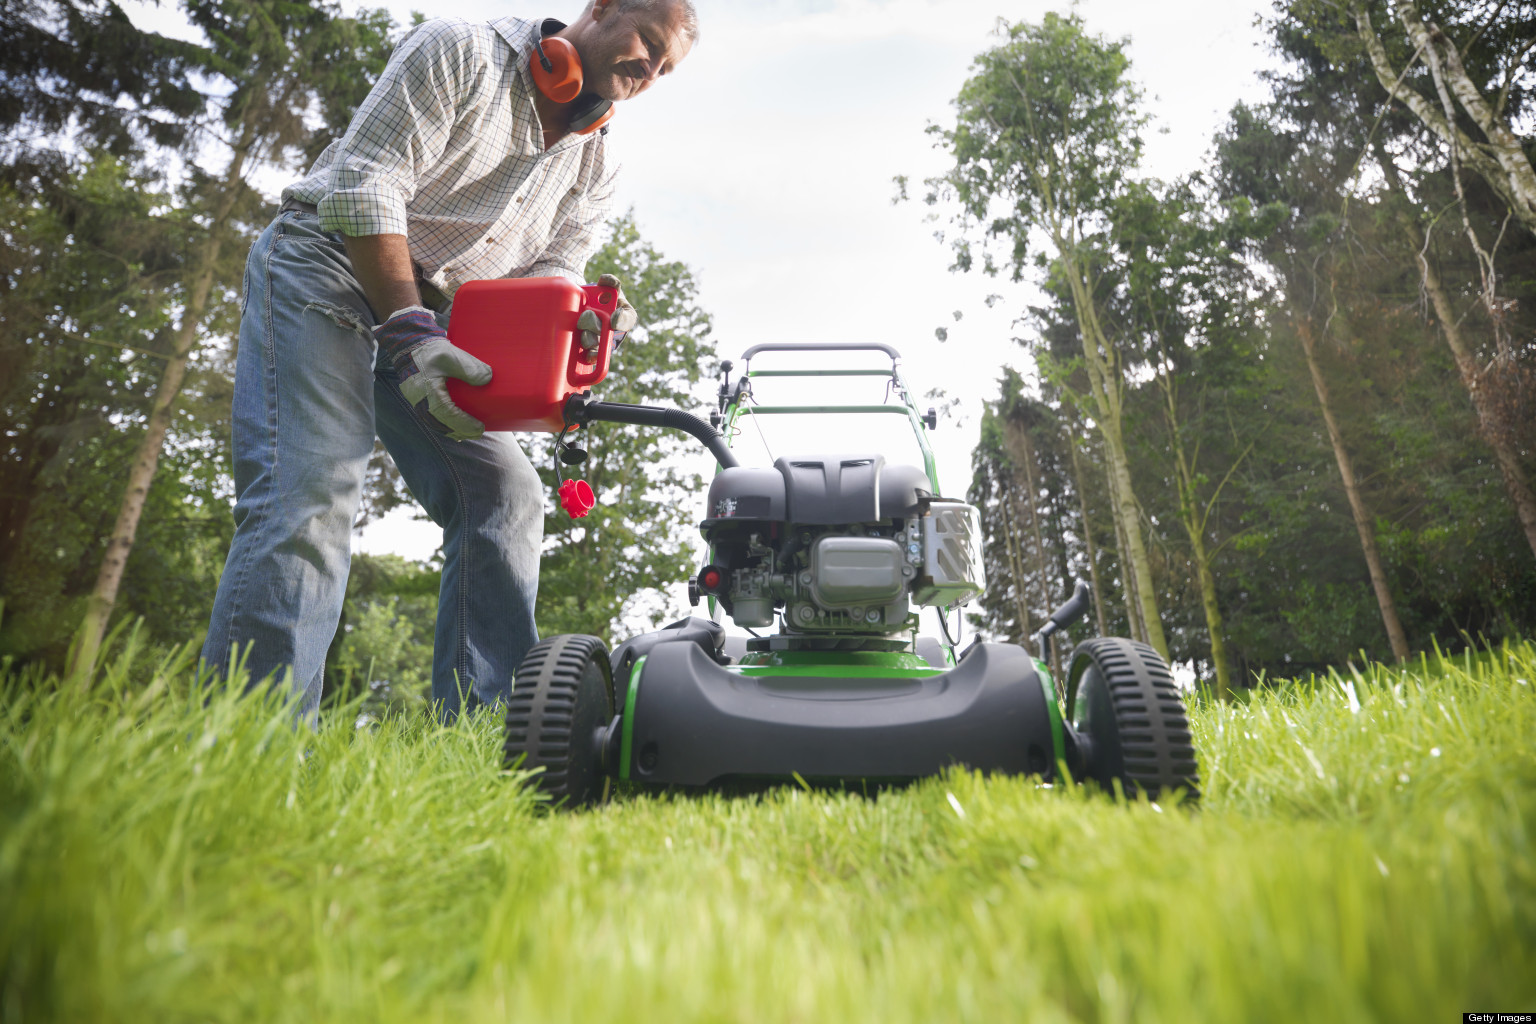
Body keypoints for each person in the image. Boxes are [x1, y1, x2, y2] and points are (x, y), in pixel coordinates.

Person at [201, 0, 699, 722]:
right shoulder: (461, 51)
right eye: (647, 43)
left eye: (666, 67)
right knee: (311, 495)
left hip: (442, 324)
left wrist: (582, 318)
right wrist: (407, 331)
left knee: (507, 494)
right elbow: (367, 181)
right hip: (325, 265)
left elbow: (556, 265)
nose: (649, 70)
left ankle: (484, 738)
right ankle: (249, 753)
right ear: (601, 9)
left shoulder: (601, 158)